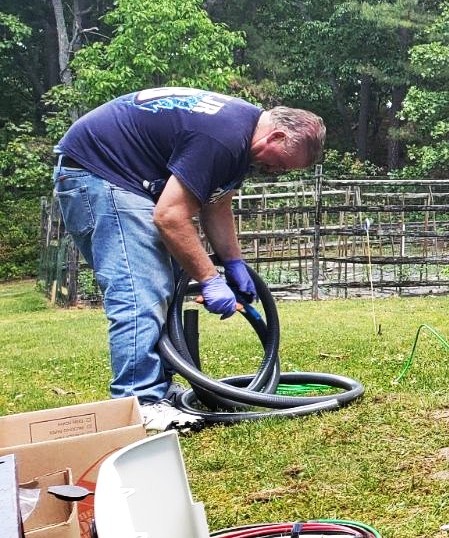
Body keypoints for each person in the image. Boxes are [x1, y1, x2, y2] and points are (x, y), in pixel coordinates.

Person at [53, 88, 325, 430]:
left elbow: (216, 202)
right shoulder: (224, 136)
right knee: (141, 291)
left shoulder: (240, 135)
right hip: (101, 175)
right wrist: (211, 280)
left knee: (161, 288)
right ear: (278, 134)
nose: (275, 171)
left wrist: (234, 263)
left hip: (118, 177)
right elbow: (170, 216)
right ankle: (139, 401)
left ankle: (159, 390)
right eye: (281, 163)